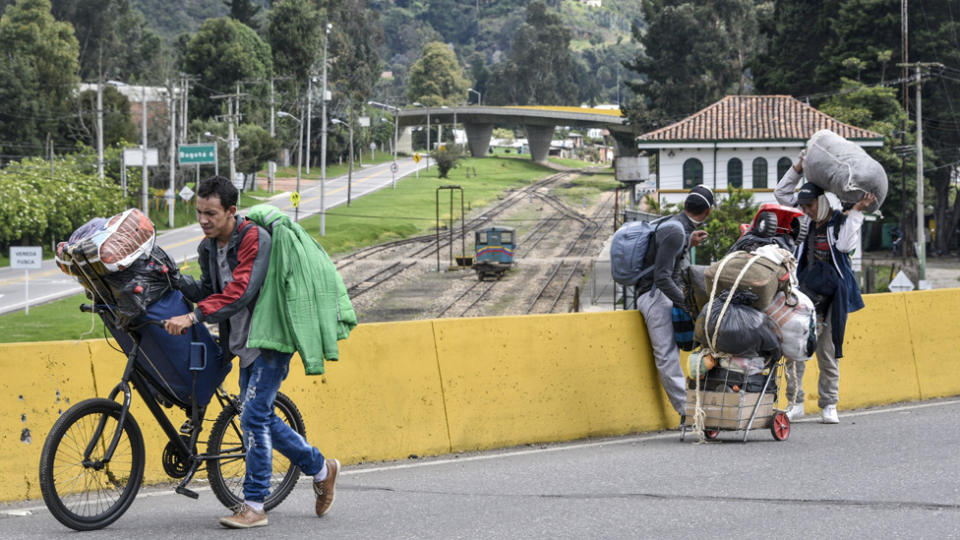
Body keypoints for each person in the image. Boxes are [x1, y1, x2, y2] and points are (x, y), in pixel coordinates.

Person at [163, 176, 338, 529]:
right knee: (261, 416)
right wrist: (173, 278)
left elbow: (242, 290)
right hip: (242, 343)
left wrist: (194, 315)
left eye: (210, 213)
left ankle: (255, 504)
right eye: (199, 212)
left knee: (254, 417)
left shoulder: (255, 239)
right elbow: (209, 289)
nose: (203, 220)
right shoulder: (208, 248)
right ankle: (322, 467)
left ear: (231, 211)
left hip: (270, 339)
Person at [775, 155, 875, 424]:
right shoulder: (806, 220)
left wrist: (857, 211)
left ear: (821, 202)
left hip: (834, 297)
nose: (805, 210)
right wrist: (798, 166)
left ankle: (829, 403)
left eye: (809, 205)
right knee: (795, 347)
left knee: (827, 352)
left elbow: (844, 246)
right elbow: (782, 193)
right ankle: (795, 401)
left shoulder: (840, 222)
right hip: (805, 291)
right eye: (804, 205)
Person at [635, 185, 714, 418]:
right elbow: (662, 277)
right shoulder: (676, 231)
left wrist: (689, 243)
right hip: (655, 296)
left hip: (661, 294)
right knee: (667, 356)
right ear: (707, 212)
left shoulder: (679, 228)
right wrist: (688, 305)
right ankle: (688, 412)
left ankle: (698, 404)